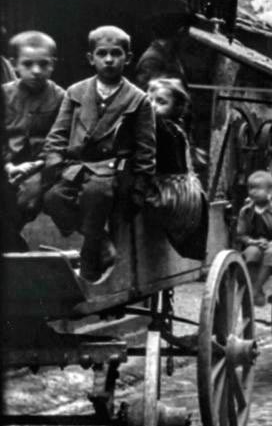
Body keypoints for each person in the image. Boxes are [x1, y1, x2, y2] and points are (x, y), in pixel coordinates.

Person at [42, 26, 155, 282]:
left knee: (97, 194)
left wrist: (139, 188)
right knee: (53, 198)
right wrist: (55, 165)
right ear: (90, 58)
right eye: (101, 53)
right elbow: (58, 134)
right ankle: (101, 243)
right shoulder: (76, 92)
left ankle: (90, 259)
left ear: (128, 57)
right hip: (79, 167)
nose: (108, 59)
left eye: (116, 53)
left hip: (116, 171)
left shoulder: (138, 100)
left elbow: (147, 150)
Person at [3, 31, 66, 236]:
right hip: (8, 163)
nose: (36, 71)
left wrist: (37, 166)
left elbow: (62, 139)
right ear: (14, 64)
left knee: (27, 201)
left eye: (43, 64)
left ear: (53, 64)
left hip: (43, 167)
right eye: (28, 64)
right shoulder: (4, 95)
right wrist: (8, 165)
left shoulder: (61, 97)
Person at [146, 77, 208, 260]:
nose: (152, 106)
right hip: (187, 192)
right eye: (149, 100)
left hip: (172, 195)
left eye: (161, 102)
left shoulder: (161, 127)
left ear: (176, 107)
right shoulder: (176, 126)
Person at [235, 169, 272, 307]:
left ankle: (255, 288)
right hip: (254, 244)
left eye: (258, 188)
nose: (253, 192)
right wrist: (253, 242)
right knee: (252, 253)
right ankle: (257, 289)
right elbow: (240, 234)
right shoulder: (246, 211)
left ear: (270, 192)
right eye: (250, 188)